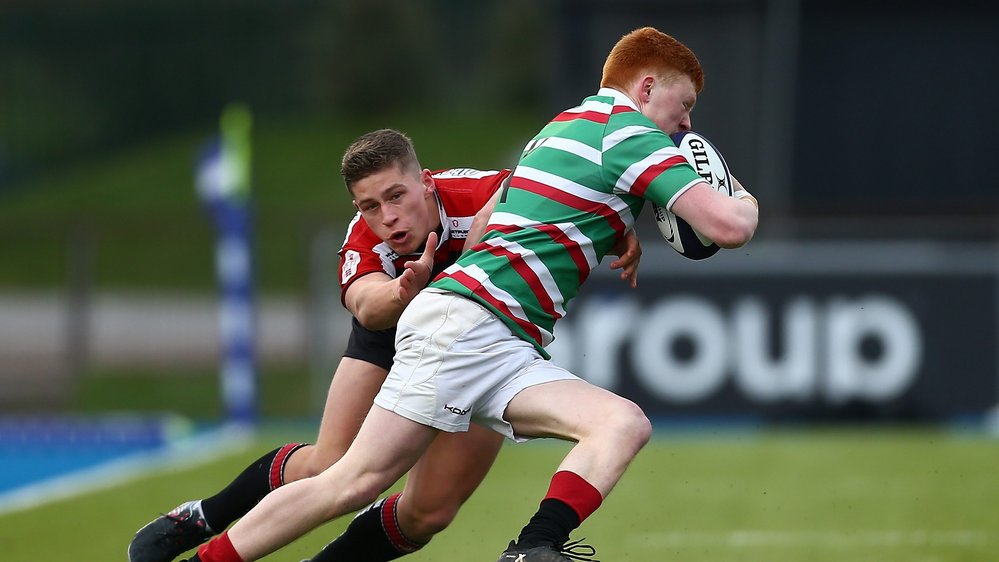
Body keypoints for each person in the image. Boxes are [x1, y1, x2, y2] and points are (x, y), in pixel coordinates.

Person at [183, 26, 758, 562]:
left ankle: (533, 548)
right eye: (683, 107)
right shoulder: (629, 129)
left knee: (621, 423)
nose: (684, 128)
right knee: (350, 481)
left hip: (504, 341)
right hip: (467, 325)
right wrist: (742, 199)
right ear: (647, 85)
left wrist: (620, 225)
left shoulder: (564, 126)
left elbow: (527, 212)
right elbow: (727, 229)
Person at [128, 129, 643, 562]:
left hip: (484, 344)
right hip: (392, 335)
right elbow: (368, 306)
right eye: (369, 206)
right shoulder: (364, 237)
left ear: (425, 183)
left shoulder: (483, 194)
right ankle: (204, 516)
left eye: (396, 197)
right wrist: (405, 289)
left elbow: (557, 200)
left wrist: (619, 228)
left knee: (430, 513)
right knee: (331, 467)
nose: (387, 217)